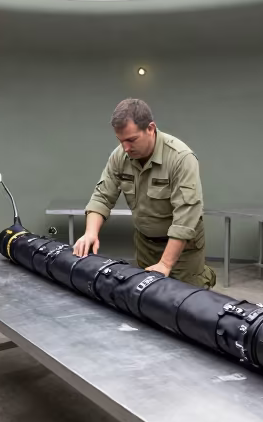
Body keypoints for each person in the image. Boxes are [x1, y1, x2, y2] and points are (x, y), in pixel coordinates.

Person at [74, 98, 217, 288]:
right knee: (146, 299)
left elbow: (185, 219)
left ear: (150, 128)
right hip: (145, 246)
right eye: (120, 140)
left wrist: (165, 264)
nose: (125, 147)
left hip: (183, 251)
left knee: (185, 301)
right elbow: (102, 196)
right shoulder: (120, 156)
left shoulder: (181, 158)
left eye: (131, 140)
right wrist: (90, 233)